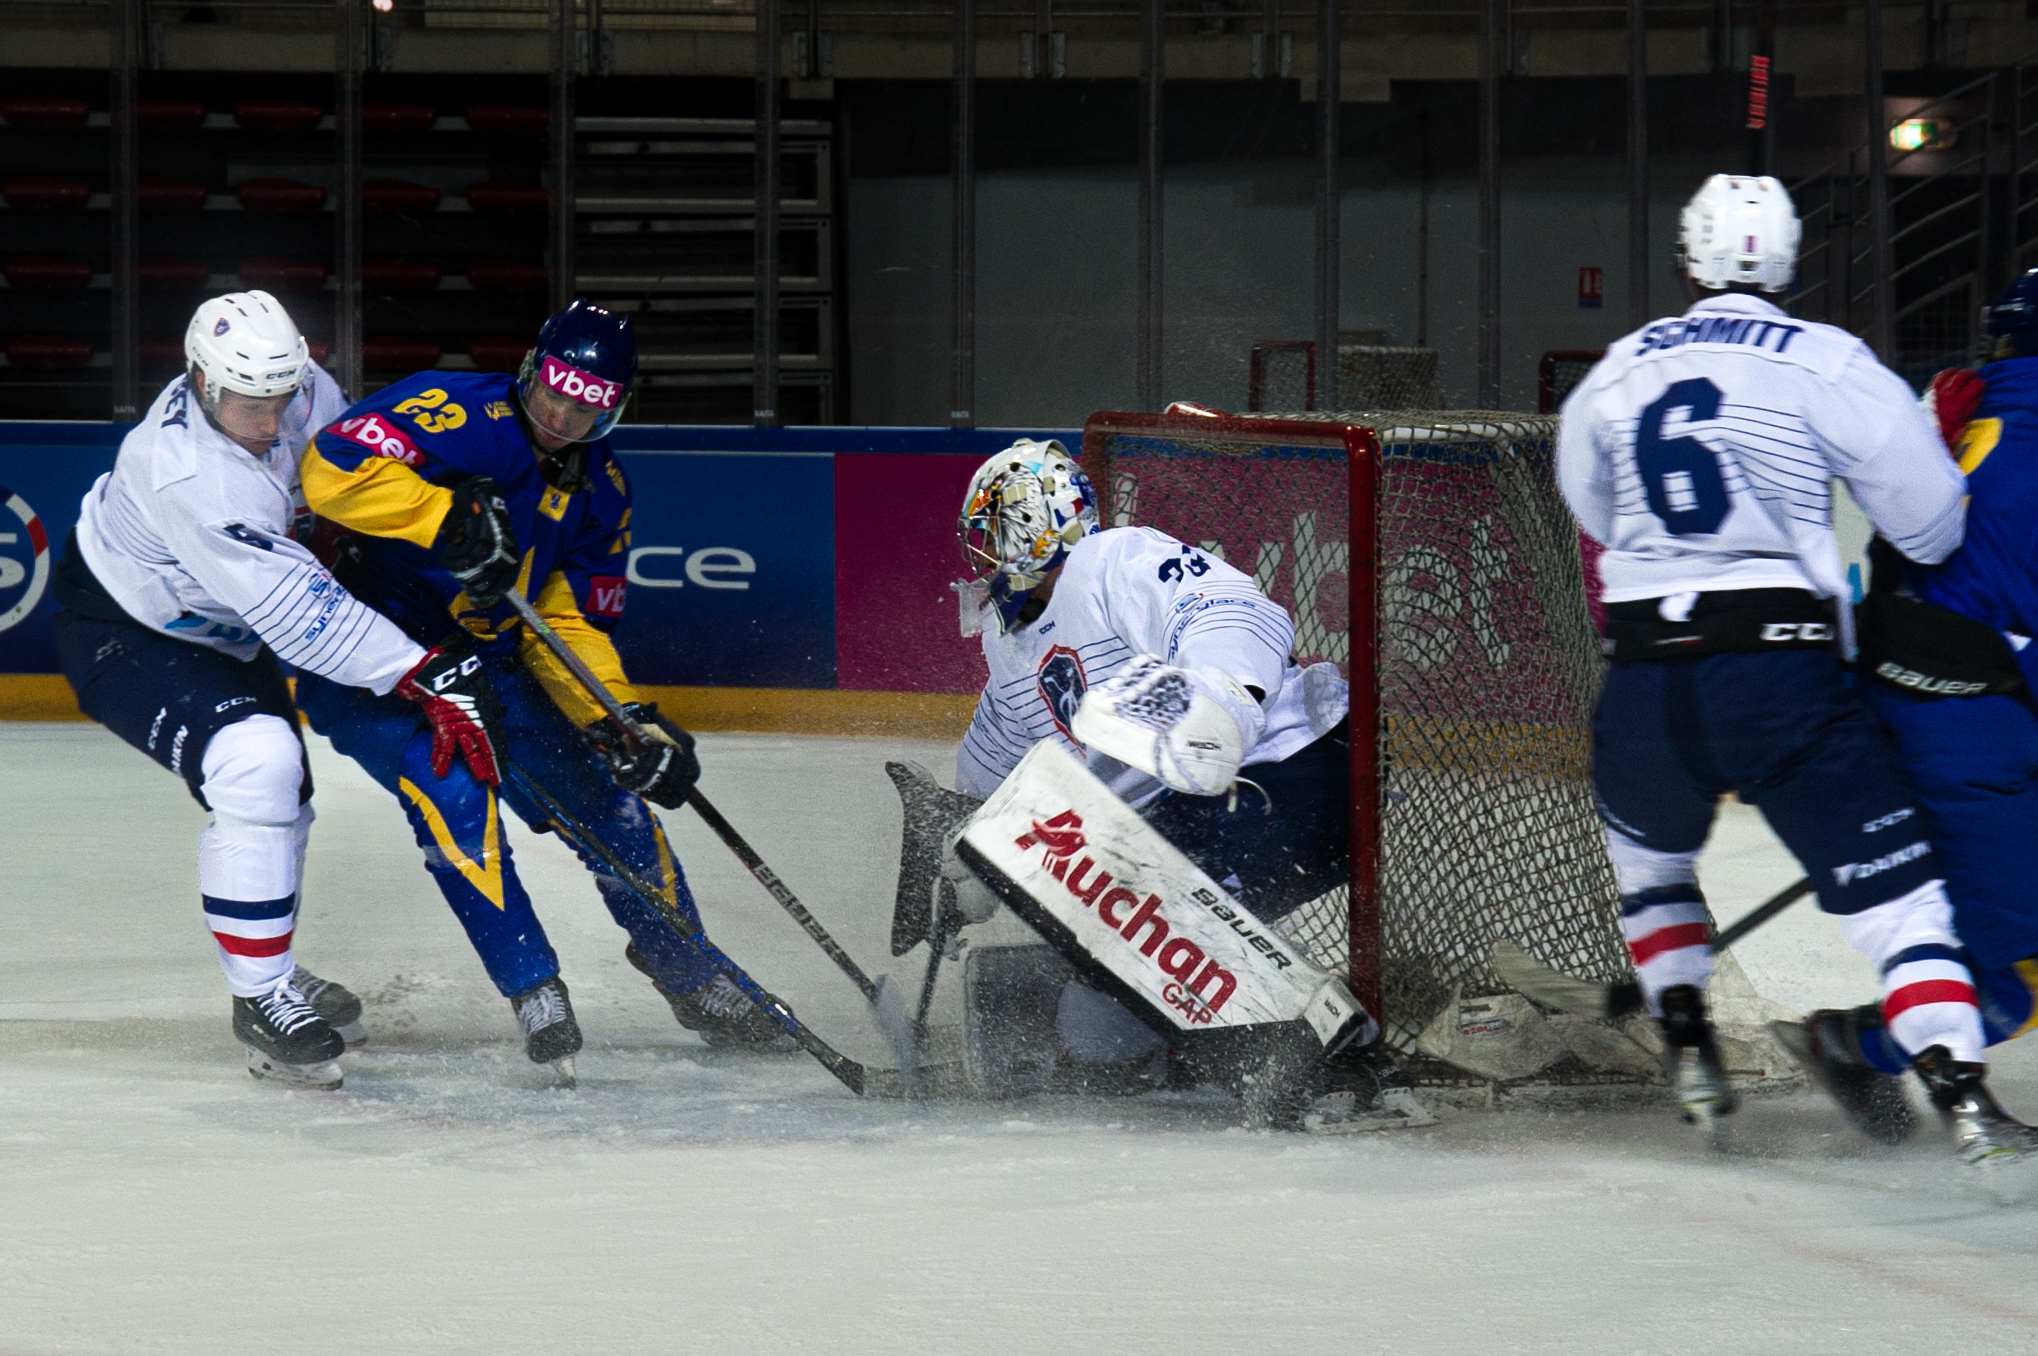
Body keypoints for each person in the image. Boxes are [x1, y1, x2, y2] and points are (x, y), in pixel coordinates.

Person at [1556, 172, 2037, 1163]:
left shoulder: (1615, 367)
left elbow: (1593, 513)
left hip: (1650, 672)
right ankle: (1951, 1087)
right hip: (1795, 675)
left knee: (1653, 868)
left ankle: (1686, 1034)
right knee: (1913, 913)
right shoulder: (1827, 360)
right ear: (1790, 261)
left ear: (1687, 260)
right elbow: (1928, 521)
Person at [294, 298, 787, 1083]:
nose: (561, 418)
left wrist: (623, 721)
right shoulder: (457, 410)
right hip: (371, 658)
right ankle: (533, 985)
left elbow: (564, 622)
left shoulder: (604, 491)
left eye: (588, 408)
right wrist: (443, 517)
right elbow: (331, 468)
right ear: (529, 372)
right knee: (449, 789)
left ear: (616, 409)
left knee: (611, 803)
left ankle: (692, 976)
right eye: (553, 392)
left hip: (488, 659)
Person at [51, 291, 500, 1088]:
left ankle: (273, 971)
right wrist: (422, 672)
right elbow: (299, 611)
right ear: (198, 379)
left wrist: (443, 516)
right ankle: (259, 997)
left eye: (280, 398)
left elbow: (355, 470)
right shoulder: (187, 471)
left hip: (219, 625)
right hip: (127, 630)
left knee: (282, 795)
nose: (268, 420)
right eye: (245, 403)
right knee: (255, 763)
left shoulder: (304, 389)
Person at [935, 438, 1404, 1127]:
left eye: (990, 535)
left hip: (1298, 767)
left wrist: (1216, 696)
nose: (978, 554)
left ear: (1034, 529)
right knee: (1094, 1032)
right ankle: (1198, 1039)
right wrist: (962, 845)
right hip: (1197, 809)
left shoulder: (1110, 562)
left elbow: (1230, 609)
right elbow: (1003, 746)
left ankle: (1340, 1064)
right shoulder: (1009, 639)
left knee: (1163, 910)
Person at [1778, 269, 2038, 1150]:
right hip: (1971, 721)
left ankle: (1864, 1041)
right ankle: (1855, 1044)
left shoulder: (1967, 406)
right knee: (2017, 980)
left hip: (1900, 700)